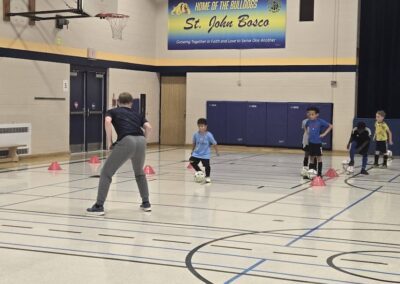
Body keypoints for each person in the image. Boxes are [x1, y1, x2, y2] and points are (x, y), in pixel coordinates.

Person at [87, 92, 152, 215]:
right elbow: (149, 127)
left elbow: (107, 122)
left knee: (106, 173)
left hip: (127, 140)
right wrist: (145, 141)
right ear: (131, 103)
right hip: (141, 140)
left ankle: (99, 205)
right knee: (139, 173)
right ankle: (146, 203)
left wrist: (109, 142)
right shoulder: (137, 114)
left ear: (117, 102)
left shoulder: (113, 111)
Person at [305, 106, 333, 177]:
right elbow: (305, 127)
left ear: (317, 114)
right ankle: (311, 173)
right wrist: (307, 132)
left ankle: (319, 174)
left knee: (319, 158)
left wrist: (324, 134)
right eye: (309, 114)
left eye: (312, 114)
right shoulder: (308, 121)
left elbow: (330, 126)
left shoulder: (320, 121)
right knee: (311, 158)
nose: (310, 116)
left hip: (318, 143)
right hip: (311, 143)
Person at [189, 118, 219, 183]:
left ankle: (207, 177)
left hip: (205, 154)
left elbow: (214, 143)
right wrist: (192, 150)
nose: (201, 128)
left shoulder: (209, 135)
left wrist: (217, 151)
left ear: (206, 126)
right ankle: (200, 172)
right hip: (197, 153)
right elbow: (194, 143)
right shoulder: (195, 134)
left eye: (202, 126)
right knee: (191, 162)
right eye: (199, 126)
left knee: (207, 165)